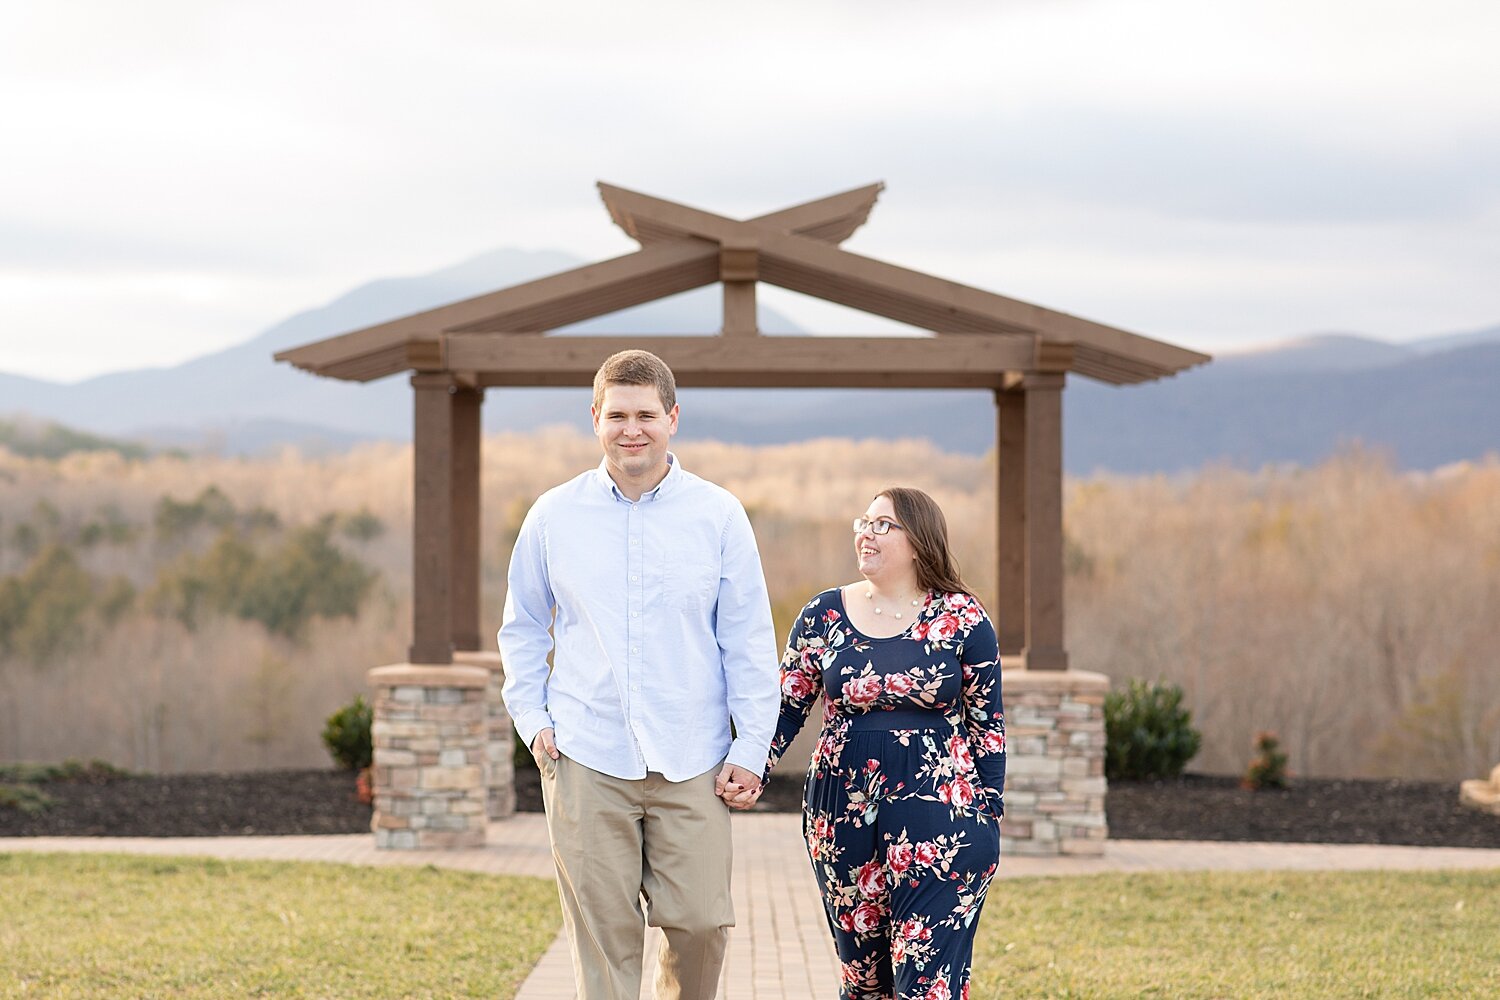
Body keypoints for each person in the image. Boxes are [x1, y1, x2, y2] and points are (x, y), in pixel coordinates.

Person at [498, 349, 779, 1000]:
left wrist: (751, 748)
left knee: (702, 924)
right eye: (617, 414)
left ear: (672, 418)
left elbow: (748, 641)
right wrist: (533, 721)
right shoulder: (552, 516)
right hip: (587, 758)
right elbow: (520, 627)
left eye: (646, 415)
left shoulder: (717, 515)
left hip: (694, 762)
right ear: (594, 418)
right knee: (605, 941)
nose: (633, 429)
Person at [727, 487, 1005, 1000]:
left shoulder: (964, 619)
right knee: (865, 981)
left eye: (883, 525)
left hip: (942, 815)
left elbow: (988, 724)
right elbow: (786, 707)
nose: (866, 532)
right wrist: (751, 767)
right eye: (863, 522)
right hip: (840, 813)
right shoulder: (823, 614)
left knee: (926, 984)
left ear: (918, 542)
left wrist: (988, 815)